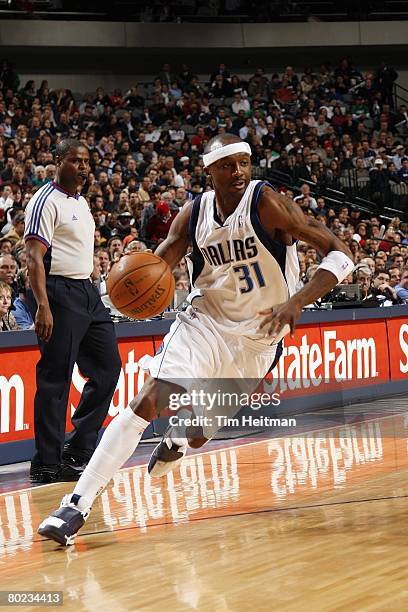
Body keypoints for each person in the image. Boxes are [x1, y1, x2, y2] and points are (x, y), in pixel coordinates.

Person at [37, 134, 354, 545]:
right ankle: (75, 505)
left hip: (260, 337)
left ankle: (179, 439)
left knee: (201, 431)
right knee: (150, 398)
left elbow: (340, 253)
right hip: (205, 322)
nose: (237, 172)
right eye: (227, 165)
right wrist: (128, 279)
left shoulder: (268, 203)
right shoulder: (194, 214)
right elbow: (159, 265)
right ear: (209, 172)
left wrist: (298, 301)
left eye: (243, 163)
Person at [24, 138, 122, 484]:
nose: (83, 167)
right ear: (58, 161)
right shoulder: (44, 200)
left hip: (86, 290)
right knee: (56, 379)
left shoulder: (81, 202)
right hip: (57, 290)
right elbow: (33, 258)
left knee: (109, 368)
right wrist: (43, 307)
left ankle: (78, 451)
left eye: (86, 161)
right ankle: (46, 463)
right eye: (76, 161)